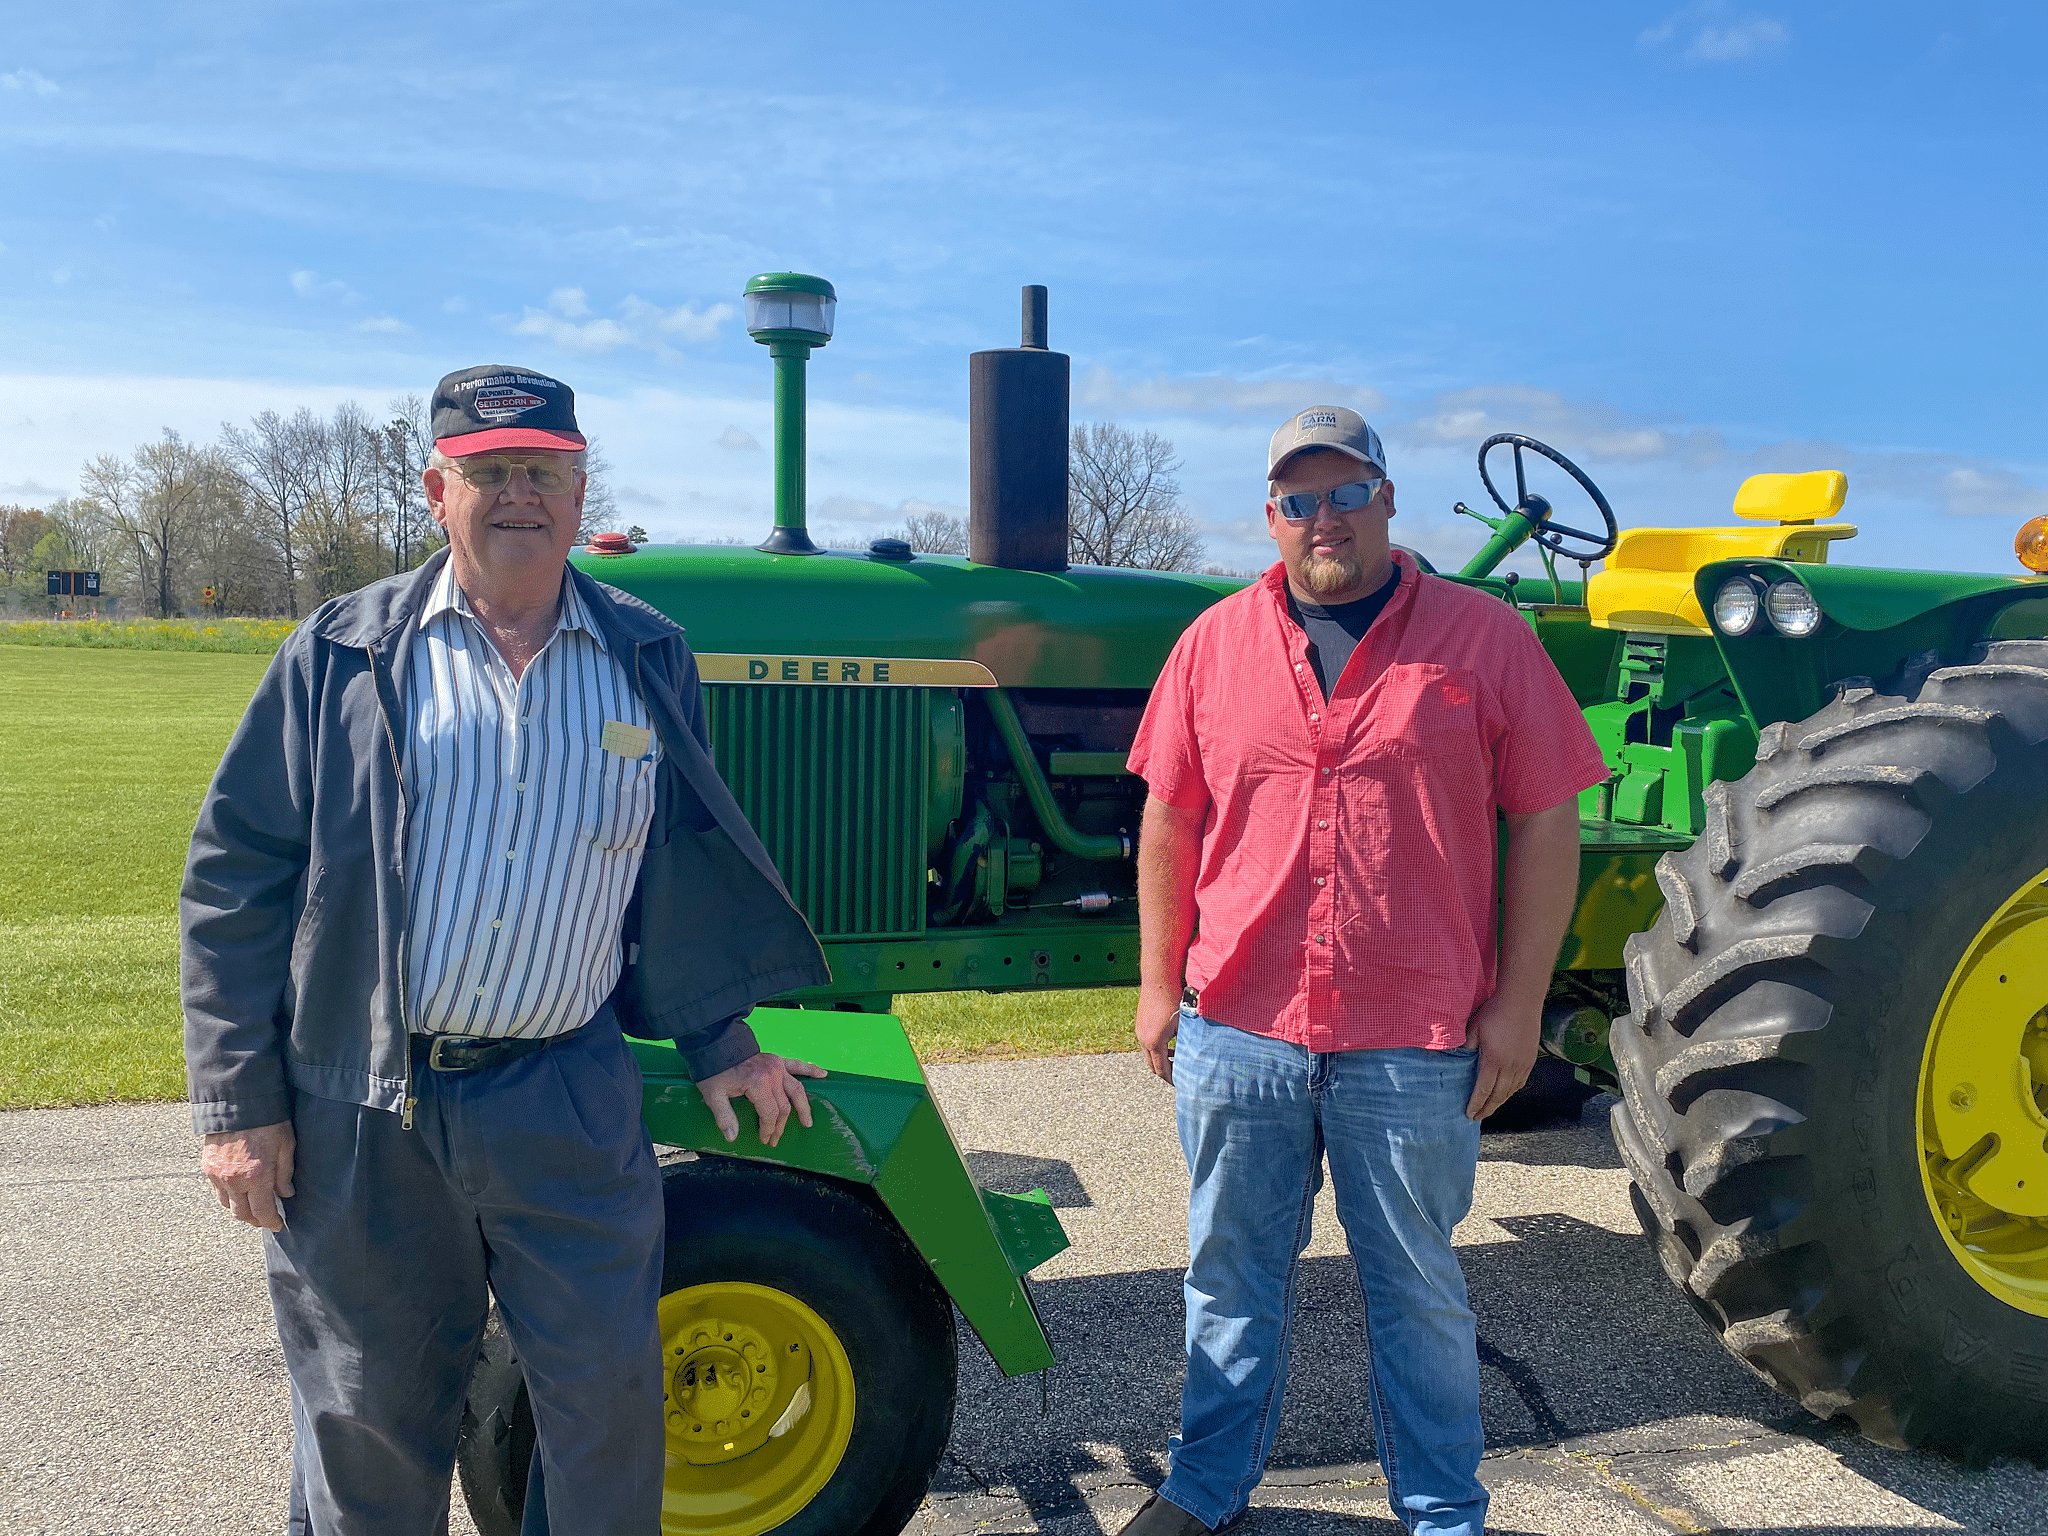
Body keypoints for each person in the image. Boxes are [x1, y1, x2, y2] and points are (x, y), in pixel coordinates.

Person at [181, 364, 831, 1536]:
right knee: (370, 1421)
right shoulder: (337, 655)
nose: (518, 494)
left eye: (544, 469)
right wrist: (238, 1104)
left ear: (581, 493)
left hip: (565, 1096)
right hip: (365, 1108)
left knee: (606, 1416)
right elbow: (236, 883)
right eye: (488, 472)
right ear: (437, 489)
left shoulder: (647, 655)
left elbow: (672, 865)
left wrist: (722, 1039)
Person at [1120, 407, 1608, 1536]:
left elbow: (1544, 818)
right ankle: (1202, 1488)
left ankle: (1441, 1510)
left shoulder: (1484, 639)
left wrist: (1518, 1007)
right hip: (1239, 1027)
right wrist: (1157, 988)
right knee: (1228, 1280)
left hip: (1412, 1033)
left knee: (1417, 1294)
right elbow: (1169, 816)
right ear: (1272, 517)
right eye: (1299, 499)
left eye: (1345, 492)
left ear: (1386, 498)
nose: (1322, 517)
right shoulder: (1212, 643)